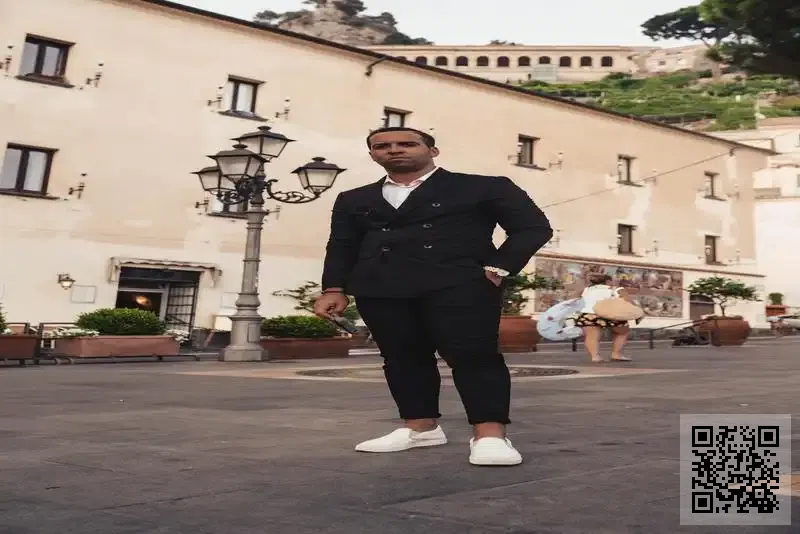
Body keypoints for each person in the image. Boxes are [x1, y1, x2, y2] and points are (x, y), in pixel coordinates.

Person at [313, 126, 552, 466]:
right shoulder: (353, 199)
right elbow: (342, 245)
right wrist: (333, 289)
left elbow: (533, 227)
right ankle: (420, 428)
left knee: (474, 356)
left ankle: (490, 434)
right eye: (382, 146)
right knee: (401, 357)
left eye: (407, 143)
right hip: (380, 287)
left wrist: (500, 266)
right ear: (372, 155)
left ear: (432, 151)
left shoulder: (484, 187)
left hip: (459, 283)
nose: (394, 150)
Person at [569, 274, 633, 363]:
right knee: (622, 332)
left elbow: (572, 300)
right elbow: (628, 301)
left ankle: (595, 356)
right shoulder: (616, 289)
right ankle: (616, 354)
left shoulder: (586, 290)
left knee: (591, 336)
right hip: (611, 314)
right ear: (608, 281)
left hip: (588, 314)